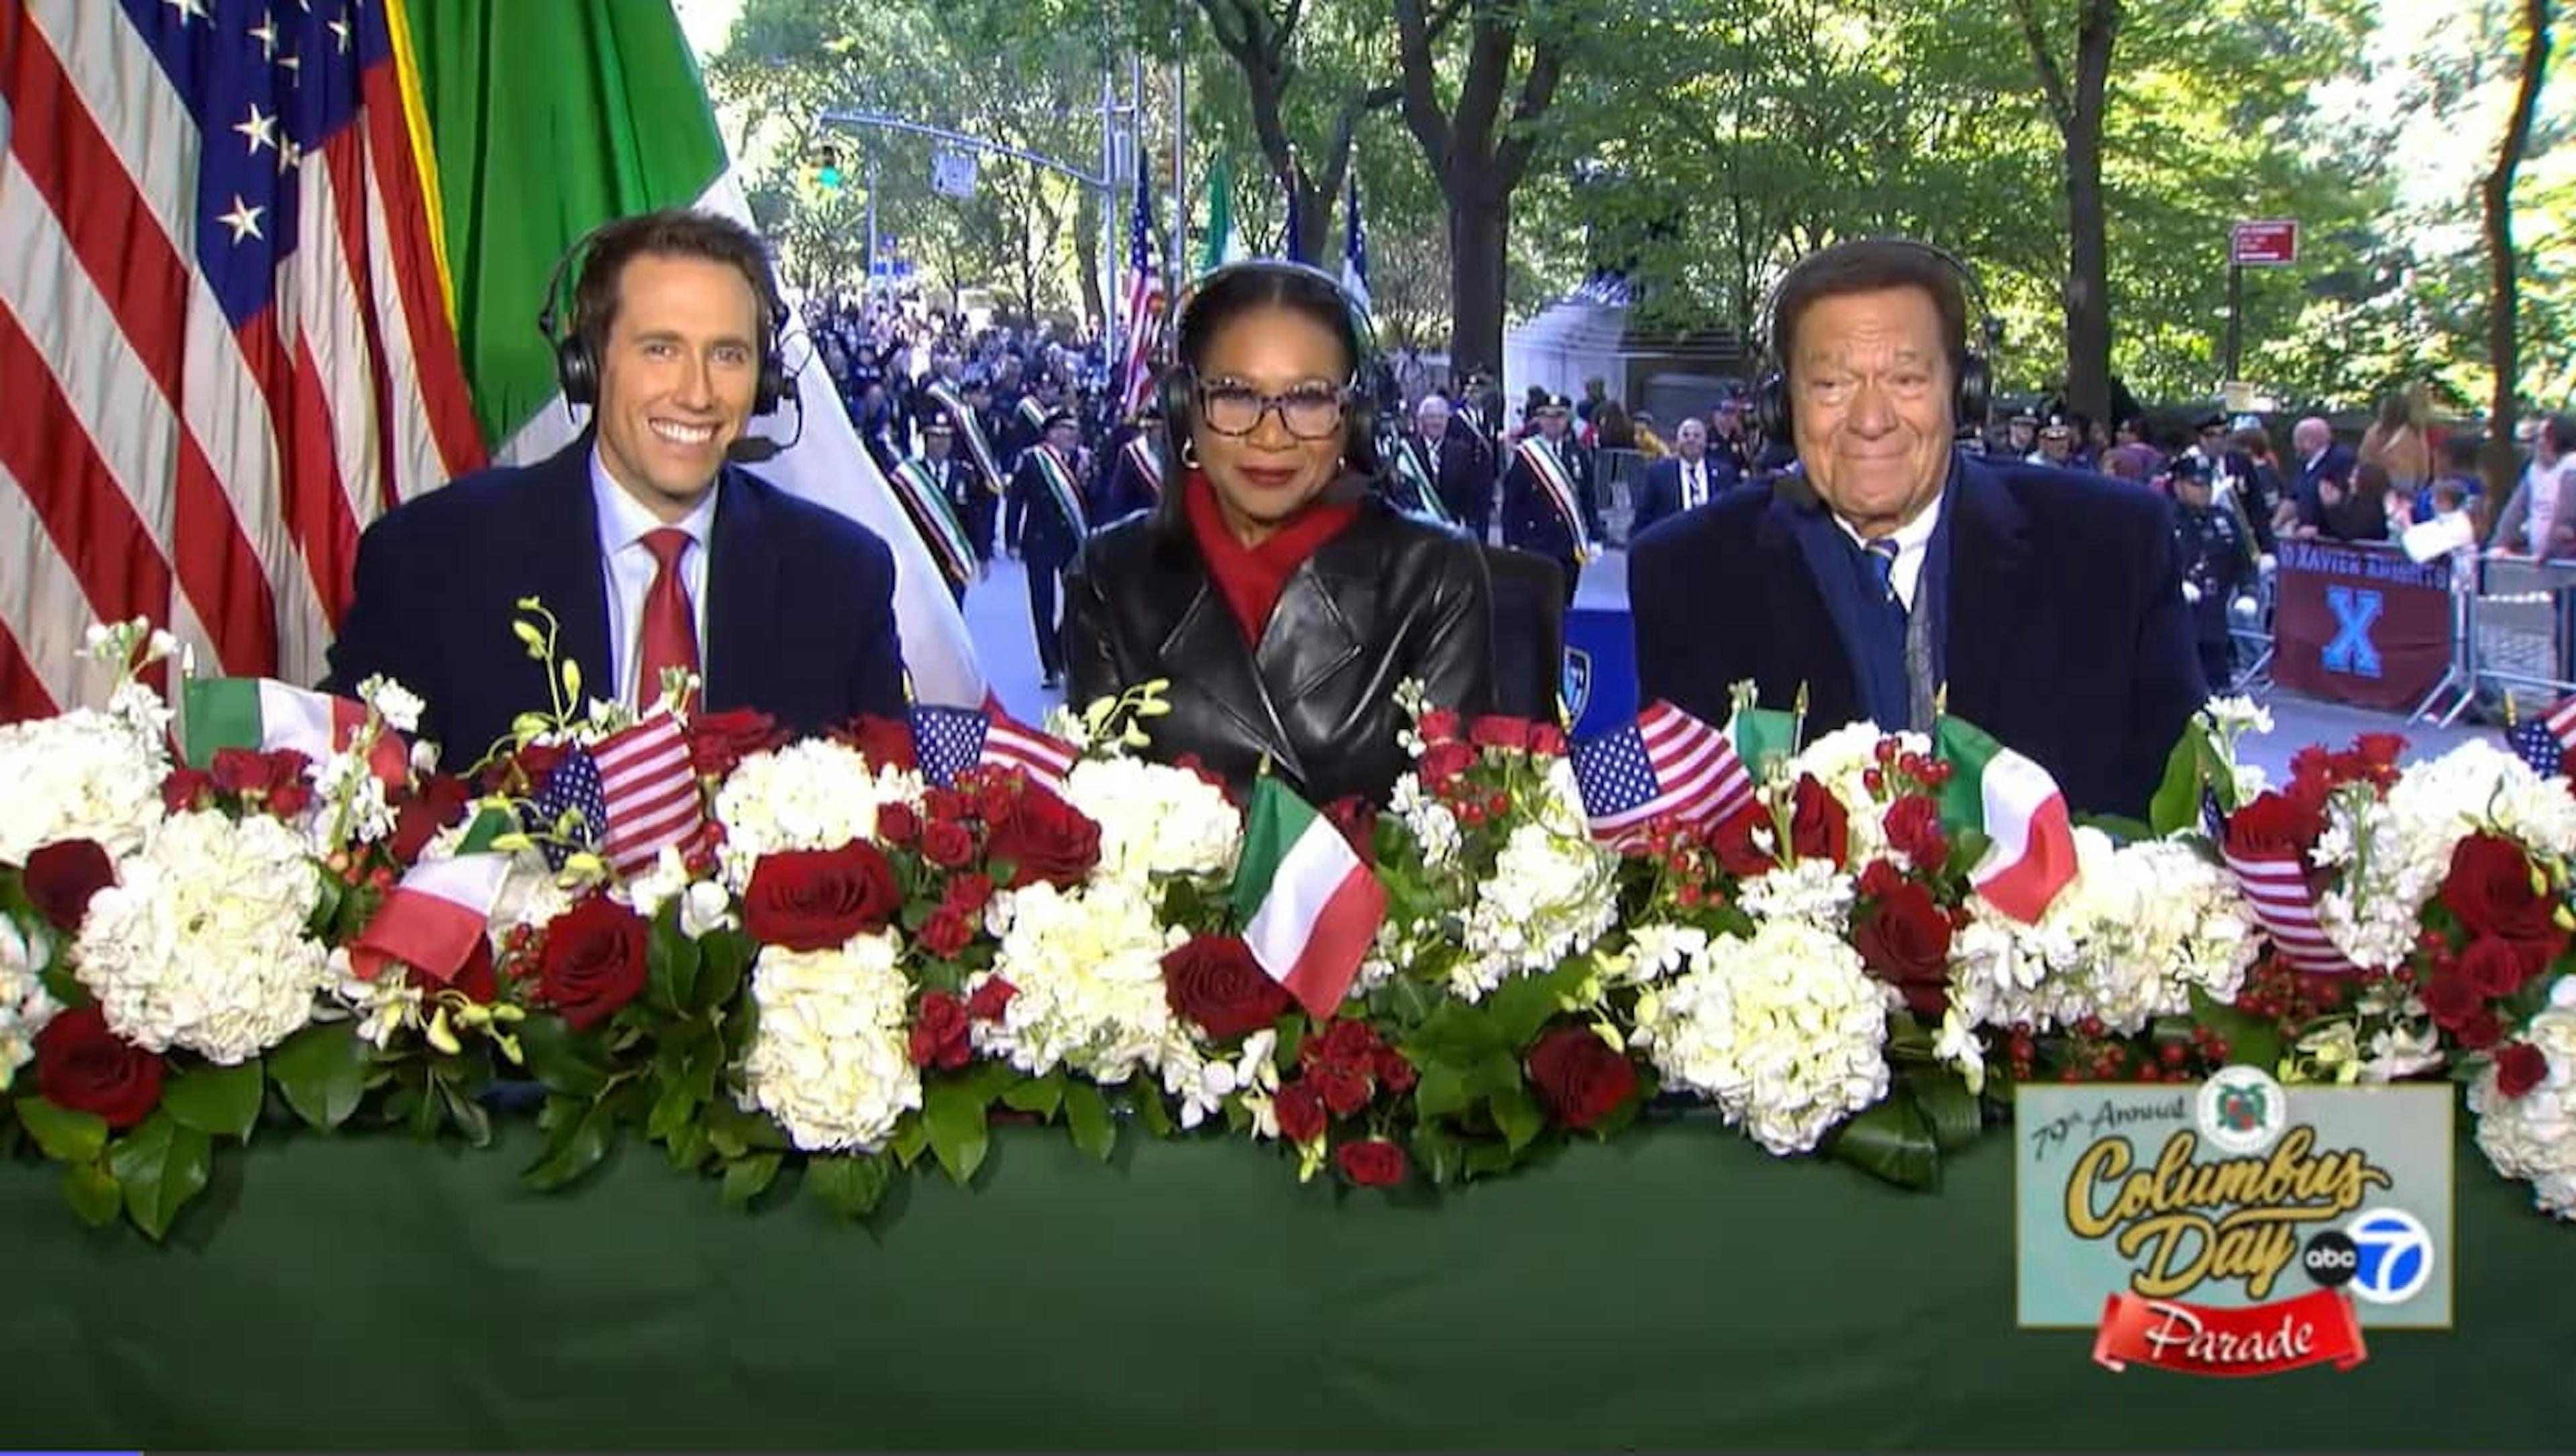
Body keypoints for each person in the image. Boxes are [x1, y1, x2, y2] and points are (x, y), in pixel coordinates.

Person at [1627, 237, 2202, 820]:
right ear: (1782, 406)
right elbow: (1682, 846)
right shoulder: (1686, 573)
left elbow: (2182, 833)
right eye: (1831, 385)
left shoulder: (2113, 549)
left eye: (1906, 380)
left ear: (1965, 393)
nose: (1871, 421)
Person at [325, 207, 908, 768]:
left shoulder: (843, 579)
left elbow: (893, 833)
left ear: (765, 382)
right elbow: (348, 813)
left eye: (728, 355)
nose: (697, 393)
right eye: (661, 349)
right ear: (587, 364)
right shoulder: (432, 559)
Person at [1062, 260, 1494, 805]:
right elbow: (1097, 816)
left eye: (1308, 398)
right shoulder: (1108, 574)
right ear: (1184, 410)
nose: (1271, 434)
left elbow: (1453, 836)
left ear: (1351, 419)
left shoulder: (1435, 575)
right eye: (1236, 394)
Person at [1005, 409, 1095, 691]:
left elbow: (1096, 499)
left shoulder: (1084, 459)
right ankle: (1050, 666)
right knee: (1042, 606)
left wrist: (1088, 479)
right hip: (1040, 542)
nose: (1072, 434)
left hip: (1072, 541)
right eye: (1066, 429)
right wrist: (1011, 539)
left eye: (1074, 429)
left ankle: (1062, 650)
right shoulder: (1033, 460)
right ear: (1051, 433)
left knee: (1077, 602)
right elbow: (1016, 501)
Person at [1501, 393, 1605, 606]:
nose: (1553, 421)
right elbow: (1512, 503)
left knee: (1566, 601)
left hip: (1569, 544)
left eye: (1559, 416)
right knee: (1537, 603)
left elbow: (1588, 499)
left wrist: (1595, 535)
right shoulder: (1527, 455)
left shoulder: (1579, 455)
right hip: (1535, 542)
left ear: (1567, 420)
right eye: (1547, 416)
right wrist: (1511, 542)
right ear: (1539, 420)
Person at [2167, 455, 2255, 692]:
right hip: (2174, 624)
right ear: (2179, 486)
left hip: (2214, 623)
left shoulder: (2224, 520)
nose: (2203, 491)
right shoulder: (2164, 518)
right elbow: (2149, 563)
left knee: (2218, 695)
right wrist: (2174, 584)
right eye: (2196, 485)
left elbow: (2244, 562)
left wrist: (2248, 593)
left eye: (2207, 485)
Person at [888, 417, 985, 606]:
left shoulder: (964, 474)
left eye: (946, 437)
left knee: (954, 611)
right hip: (922, 556)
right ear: (925, 440)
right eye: (935, 436)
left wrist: (982, 553)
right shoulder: (910, 477)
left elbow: (973, 517)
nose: (941, 442)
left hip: (953, 559)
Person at [1630, 416, 1737, 539]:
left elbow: (1732, 515)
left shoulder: (1724, 474)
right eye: (1686, 435)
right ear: (1677, 441)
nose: (1691, 440)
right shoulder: (1659, 474)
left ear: (1705, 442)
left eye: (1697, 436)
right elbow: (1643, 518)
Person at [2492, 414, 2576, 561]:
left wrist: (2549, 551)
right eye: (2538, 436)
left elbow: (2566, 516)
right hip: (2539, 557)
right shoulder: (2535, 470)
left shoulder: (2571, 468)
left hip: (2565, 557)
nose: (2539, 442)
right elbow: (2515, 511)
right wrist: (2500, 543)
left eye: (2545, 437)